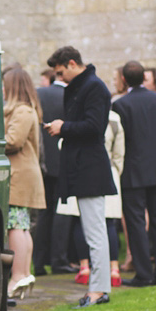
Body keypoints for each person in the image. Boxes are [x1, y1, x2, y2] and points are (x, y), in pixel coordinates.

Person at [44, 46, 116, 308]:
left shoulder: (94, 87)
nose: (59, 78)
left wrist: (63, 127)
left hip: (90, 169)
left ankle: (98, 291)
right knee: (92, 232)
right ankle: (98, 289)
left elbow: (95, 127)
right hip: (82, 167)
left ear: (72, 63)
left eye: (61, 72)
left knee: (95, 232)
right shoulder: (81, 86)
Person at [112, 60, 156, 287]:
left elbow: (121, 142)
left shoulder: (121, 105)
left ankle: (145, 274)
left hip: (134, 171)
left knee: (136, 222)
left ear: (124, 79)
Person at [56, 109, 126, 288]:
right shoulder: (114, 118)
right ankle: (114, 268)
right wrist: (116, 170)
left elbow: (63, 144)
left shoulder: (77, 118)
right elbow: (119, 151)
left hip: (81, 169)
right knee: (108, 222)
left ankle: (85, 266)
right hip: (107, 169)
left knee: (81, 221)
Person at [2, 68, 47, 300]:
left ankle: (18, 275)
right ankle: (24, 274)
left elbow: (13, 141)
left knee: (15, 226)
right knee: (21, 225)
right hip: (24, 173)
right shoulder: (26, 109)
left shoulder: (22, 110)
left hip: (19, 174)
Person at [33, 64, 75, 276]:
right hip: (64, 159)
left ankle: (39, 263)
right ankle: (59, 260)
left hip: (42, 161)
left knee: (43, 212)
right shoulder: (72, 94)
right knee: (63, 211)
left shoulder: (38, 94)